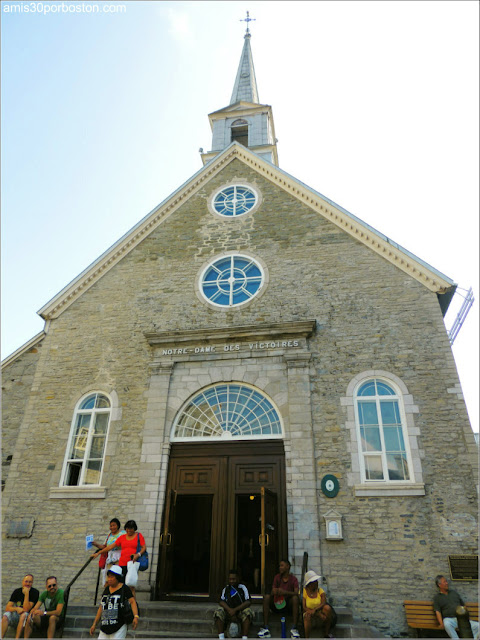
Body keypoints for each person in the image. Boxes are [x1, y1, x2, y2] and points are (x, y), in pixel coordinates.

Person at [91, 520, 146, 600]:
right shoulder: (122, 537)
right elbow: (110, 547)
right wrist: (98, 553)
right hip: (122, 563)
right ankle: (122, 602)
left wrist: (138, 554)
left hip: (132, 563)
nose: (129, 531)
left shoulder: (138, 536)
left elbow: (143, 547)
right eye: (127, 529)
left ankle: (133, 605)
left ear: (134, 529)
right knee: (121, 584)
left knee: (131, 585)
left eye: (130, 529)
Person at [89, 565, 139, 639]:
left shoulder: (124, 589)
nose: (109, 579)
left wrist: (136, 616)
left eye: (112, 577)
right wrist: (94, 624)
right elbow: (101, 607)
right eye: (108, 577)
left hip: (119, 626)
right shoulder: (106, 590)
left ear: (118, 578)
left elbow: (132, 602)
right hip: (105, 626)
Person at [257, 559, 300, 639]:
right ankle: (265, 627)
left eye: (282, 566)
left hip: (288, 606)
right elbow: (273, 591)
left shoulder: (293, 579)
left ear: (288, 567)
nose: (280, 568)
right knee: (266, 597)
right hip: (277, 604)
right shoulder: (277, 577)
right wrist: (275, 591)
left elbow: (296, 593)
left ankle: (294, 628)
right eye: (279, 566)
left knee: (295, 598)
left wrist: (285, 592)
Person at [433, 575, 479, 639]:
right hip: (450, 619)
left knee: (478, 626)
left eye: (446, 581)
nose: (447, 583)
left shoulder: (453, 593)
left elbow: (463, 606)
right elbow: (437, 611)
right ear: (439, 585)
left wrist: (466, 617)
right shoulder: (437, 598)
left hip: (461, 619)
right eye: (444, 582)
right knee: (446, 623)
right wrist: (441, 623)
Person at [214, 568, 253, 640]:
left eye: (234, 579)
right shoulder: (226, 589)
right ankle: (221, 637)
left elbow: (248, 601)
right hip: (228, 612)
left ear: (238, 578)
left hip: (240, 611)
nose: (232, 581)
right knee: (218, 612)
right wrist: (230, 610)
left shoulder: (242, 587)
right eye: (230, 579)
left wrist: (235, 610)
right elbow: (221, 601)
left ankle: (244, 637)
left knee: (248, 612)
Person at [1, 574, 39, 639]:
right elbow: (7, 608)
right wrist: (16, 608)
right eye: (26, 581)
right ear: (22, 582)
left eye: (30, 582)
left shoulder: (35, 592)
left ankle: (17, 638)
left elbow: (26, 609)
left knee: (23, 615)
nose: (28, 583)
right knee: (5, 615)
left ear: (32, 583)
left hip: (28, 617)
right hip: (17, 614)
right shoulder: (17, 591)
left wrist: (26, 594)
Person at [302, 570, 337, 639]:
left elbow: (323, 602)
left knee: (327, 608)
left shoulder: (320, 590)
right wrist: (315, 613)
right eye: (315, 581)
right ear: (310, 584)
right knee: (307, 616)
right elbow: (304, 607)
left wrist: (315, 610)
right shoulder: (304, 591)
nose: (317, 582)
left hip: (319, 610)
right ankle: (307, 638)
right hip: (308, 611)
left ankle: (326, 634)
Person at [92, 518, 126, 587]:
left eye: (114, 525)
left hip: (119, 557)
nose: (112, 527)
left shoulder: (123, 534)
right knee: (109, 576)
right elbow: (105, 547)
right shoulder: (109, 535)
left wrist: (98, 553)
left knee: (117, 576)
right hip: (110, 558)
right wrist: (96, 544)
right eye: (111, 526)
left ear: (118, 526)